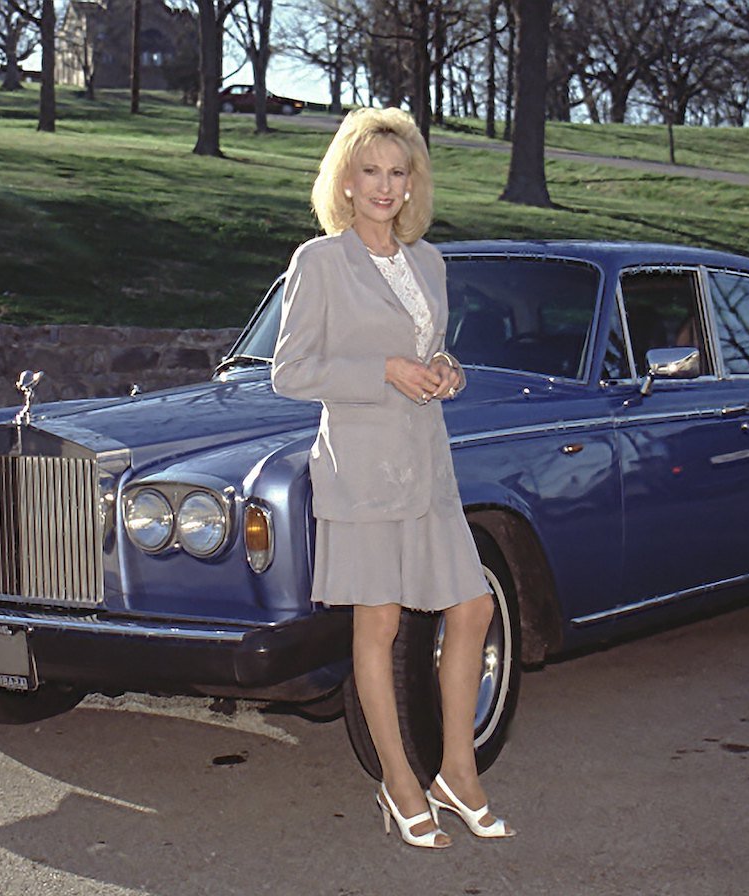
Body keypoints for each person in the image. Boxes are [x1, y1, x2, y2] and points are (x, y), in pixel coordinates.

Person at [270, 107, 514, 849]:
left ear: (413, 184)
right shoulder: (319, 261)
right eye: (370, 171)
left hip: (428, 466)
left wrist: (445, 370)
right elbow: (289, 372)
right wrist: (383, 370)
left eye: (397, 172)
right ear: (345, 180)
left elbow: (432, 350)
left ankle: (457, 775)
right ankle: (401, 783)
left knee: (473, 607)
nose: (384, 185)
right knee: (376, 626)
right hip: (361, 470)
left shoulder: (429, 262)